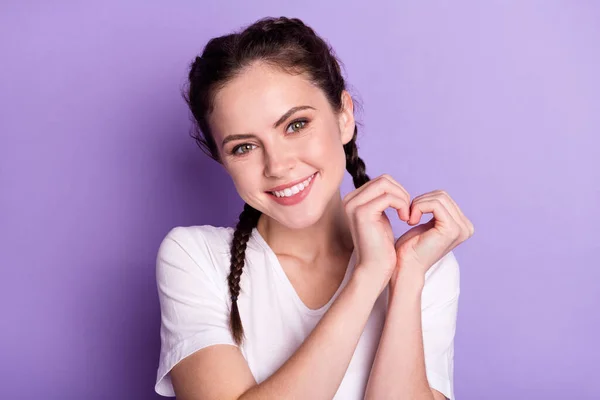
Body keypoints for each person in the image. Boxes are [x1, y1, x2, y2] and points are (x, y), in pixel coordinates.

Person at [154, 16, 474, 400]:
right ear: (223, 161)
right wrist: (369, 276)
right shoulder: (195, 258)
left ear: (344, 117)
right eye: (244, 147)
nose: (277, 165)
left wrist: (404, 280)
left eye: (295, 125)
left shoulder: (421, 265)